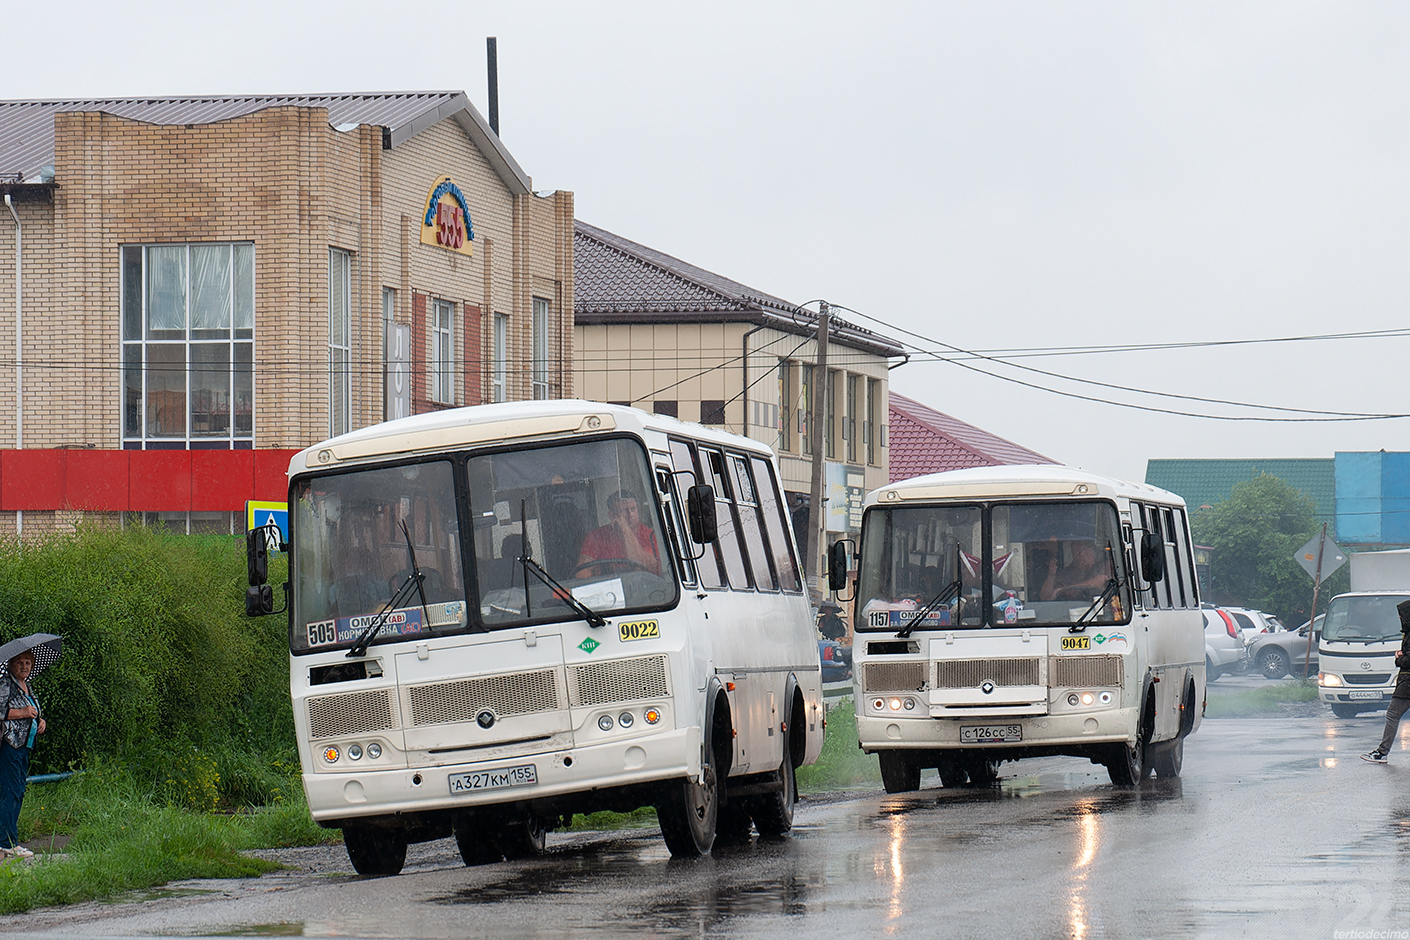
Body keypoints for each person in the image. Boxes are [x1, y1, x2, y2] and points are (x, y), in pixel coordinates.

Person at [0, 651, 44, 859]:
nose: (24, 666)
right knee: (11, 791)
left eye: (28, 663)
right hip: (10, 744)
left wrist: (40, 721)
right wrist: (24, 713)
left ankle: (9, 840)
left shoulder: (26, 685)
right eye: (20, 663)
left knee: (18, 790)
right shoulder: (6, 683)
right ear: (11, 664)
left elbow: (34, 710)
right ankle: (6, 842)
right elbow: (2, 711)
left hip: (25, 745)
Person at [1362, 600, 1410, 763]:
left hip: (1407, 683)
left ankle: (1381, 753)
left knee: (1392, 714)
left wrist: (1399, 658)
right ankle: (1382, 752)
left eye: (1402, 615)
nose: (1400, 618)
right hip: (1406, 682)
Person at [577, 490, 660, 576]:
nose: (630, 514)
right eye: (624, 510)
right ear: (611, 515)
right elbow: (581, 572)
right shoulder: (596, 536)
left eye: (633, 509)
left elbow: (649, 567)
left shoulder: (651, 535)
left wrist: (625, 528)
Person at [1039, 540, 1110, 601]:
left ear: (1091, 550)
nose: (1078, 557)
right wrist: (1051, 575)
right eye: (1075, 553)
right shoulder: (1068, 573)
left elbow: (1098, 582)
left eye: (1080, 553)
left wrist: (1066, 589)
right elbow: (1045, 597)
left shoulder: (1104, 566)